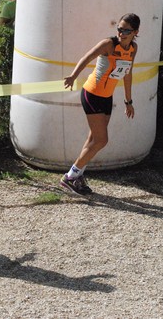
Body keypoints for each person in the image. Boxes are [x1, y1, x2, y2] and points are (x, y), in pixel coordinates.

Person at [61, 13, 140, 195]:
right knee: (102, 140)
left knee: (93, 139)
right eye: (119, 29)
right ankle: (70, 176)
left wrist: (128, 101)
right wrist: (73, 76)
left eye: (126, 30)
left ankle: (78, 175)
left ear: (135, 32)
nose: (121, 33)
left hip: (107, 97)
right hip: (92, 94)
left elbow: (127, 74)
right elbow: (87, 57)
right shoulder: (108, 44)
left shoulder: (133, 49)